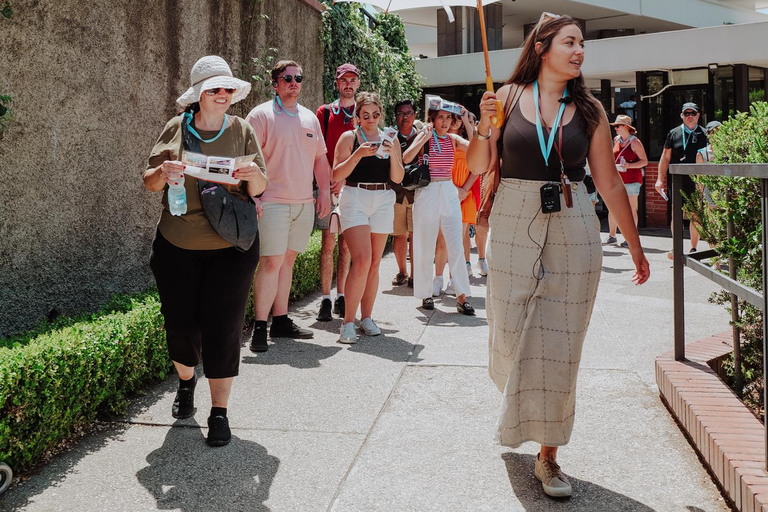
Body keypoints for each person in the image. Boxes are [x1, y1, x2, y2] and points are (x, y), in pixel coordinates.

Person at [466, 14, 650, 498]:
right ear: (542, 47)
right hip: (511, 220)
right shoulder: (504, 98)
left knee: (561, 340)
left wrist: (635, 246)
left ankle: (548, 455)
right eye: (570, 42)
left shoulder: (590, 110)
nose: (579, 51)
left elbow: (608, 181)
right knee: (509, 329)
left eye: (582, 44)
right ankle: (520, 406)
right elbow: (479, 166)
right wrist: (484, 126)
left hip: (573, 222)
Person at [144, 55, 269, 447]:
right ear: (198, 94)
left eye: (228, 88)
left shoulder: (243, 129)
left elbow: (261, 187)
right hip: (177, 244)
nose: (222, 94)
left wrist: (253, 176)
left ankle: (219, 413)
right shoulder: (175, 129)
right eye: (214, 88)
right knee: (180, 326)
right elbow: (148, 183)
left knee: (223, 327)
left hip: (231, 246)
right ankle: (185, 384)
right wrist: (162, 173)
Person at [246, 60, 331, 352]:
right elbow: (247, 159)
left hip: (303, 203)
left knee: (288, 261)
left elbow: (320, 158)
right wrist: (252, 196)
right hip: (271, 202)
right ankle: (259, 327)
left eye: (298, 77)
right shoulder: (260, 115)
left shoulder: (310, 118)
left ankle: (280, 320)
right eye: (287, 78)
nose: (294, 82)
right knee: (270, 262)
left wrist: (324, 193)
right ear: (275, 83)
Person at [332, 92, 404, 343]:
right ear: (358, 116)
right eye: (365, 115)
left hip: (383, 199)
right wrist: (358, 155)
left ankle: (367, 318)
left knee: (374, 263)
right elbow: (337, 173)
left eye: (375, 115)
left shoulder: (389, 138)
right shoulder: (349, 137)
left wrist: (392, 151)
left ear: (380, 115)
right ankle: (347, 323)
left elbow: (397, 178)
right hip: (355, 197)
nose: (371, 119)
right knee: (361, 260)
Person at [403, 101, 475, 316]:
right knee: (425, 243)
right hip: (427, 191)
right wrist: (422, 138)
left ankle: (462, 296)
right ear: (432, 119)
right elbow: (406, 158)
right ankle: (426, 294)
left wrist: (466, 122)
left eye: (448, 118)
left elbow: (474, 148)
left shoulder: (453, 140)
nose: (445, 122)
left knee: (456, 244)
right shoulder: (425, 135)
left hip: (448, 190)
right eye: (440, 117)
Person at [314, 63, 360, 322]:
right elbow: (317, 150)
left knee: (347, 245)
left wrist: (346, 178)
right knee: (328, 244)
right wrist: (329, 181)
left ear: (358, 84)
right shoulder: (324, 112)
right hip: (330, 186)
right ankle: (325, 298)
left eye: (353, 80)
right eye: (344, 80)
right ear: (337, 83)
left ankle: (341, 295)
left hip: (352, 188)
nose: (349, 84)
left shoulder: (363, 113)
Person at [655, 102, 708, 256]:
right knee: (675, 213)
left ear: (698, 115)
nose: (690, 116)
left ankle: (693, 248)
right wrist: (659, 179)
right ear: (682, 116)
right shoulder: (673, 133)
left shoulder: (705, 134)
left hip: (697, 182)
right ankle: (676, 246)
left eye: (693, 113)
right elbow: (665, 158)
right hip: (677, 181)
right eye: (686, 113)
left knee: (695, 214)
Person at [605, 114, 648, 248]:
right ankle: (612, 235)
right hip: (618, 179)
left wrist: (628, 166)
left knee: (630, 209)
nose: (616, 129)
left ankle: (630, 238)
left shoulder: (635, 142)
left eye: (617, 126)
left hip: (632, 180)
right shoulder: (616, 139)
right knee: (613, 208)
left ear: (625, 127)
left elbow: (644, 161)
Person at [390, 99, 420, 288]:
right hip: (397, 193)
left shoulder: (424, 136)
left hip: (419, 193)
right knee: (399, 234)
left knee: (415, 234)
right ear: (396, 117)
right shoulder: (390, 136)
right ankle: (402, 271)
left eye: (408, 113)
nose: (405, 117)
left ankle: (415, 276)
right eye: (401, 113)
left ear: (415, 115)